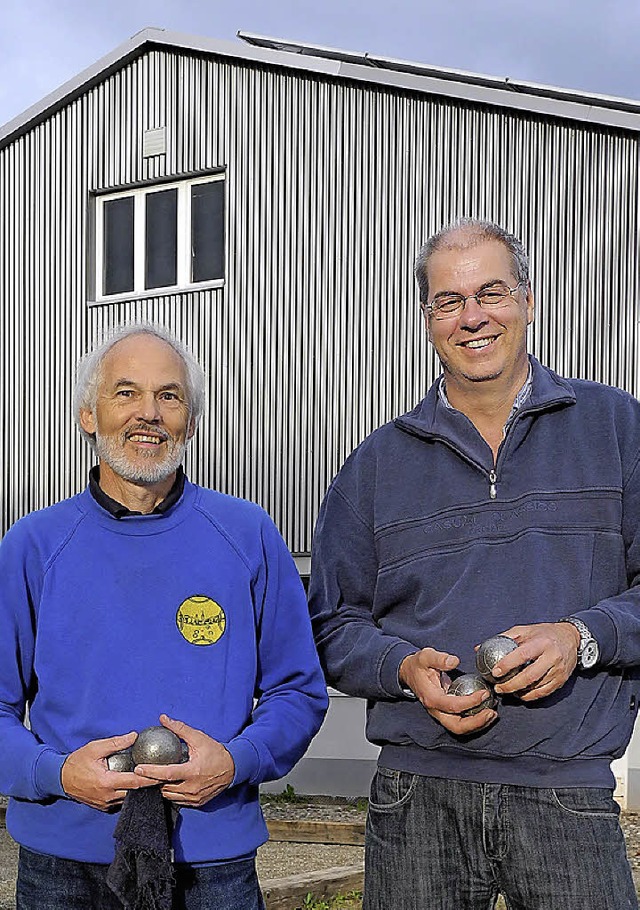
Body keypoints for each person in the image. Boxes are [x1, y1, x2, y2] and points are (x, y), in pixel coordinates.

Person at [308, 217, 640, 909]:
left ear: (527, 298)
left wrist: (582, 637)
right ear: (427, 319)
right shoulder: (376, 465)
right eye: (448, 301)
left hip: (567, 796)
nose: (473, 317)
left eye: (491, 292)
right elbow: (332, 623)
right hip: (417, 797)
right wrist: (401, 670)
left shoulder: (617, 429)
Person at [0, 323, 328, 910]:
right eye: (125, 393)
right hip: (63, 866)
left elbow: (297, 691)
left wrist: (235, 761)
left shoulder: (248, 535)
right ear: (88, 415)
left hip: (213, 862)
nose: (147, 413)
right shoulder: (32, 546)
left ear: (190, 421)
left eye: (169, 396)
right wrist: (55, 774)